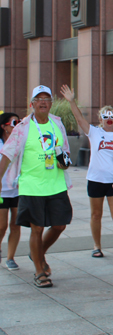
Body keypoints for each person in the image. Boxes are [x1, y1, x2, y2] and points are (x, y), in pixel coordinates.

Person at [0, 85, 73, 288]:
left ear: (51, 103)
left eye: (46, 99)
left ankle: (37, 253)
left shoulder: (57, 124)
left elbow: (64, 151)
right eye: (38, 99)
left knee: (59, 225)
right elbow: (7, 154)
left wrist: (64, 162)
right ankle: (40, 271)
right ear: (32, 104)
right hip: (31, 185)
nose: (43, 102)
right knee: (37, 228)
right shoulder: (22, 127)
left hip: (56, 183)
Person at [61, 84, 113, 261]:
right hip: (95, 179)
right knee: (96, 214)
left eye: (112, 117)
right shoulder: (94, 132)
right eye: (105, 117)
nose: (109, 120)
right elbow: (79, 119)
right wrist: (72, 101)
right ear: (100, 118)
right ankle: (97, 246)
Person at [0, 113, 22, 271]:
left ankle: (10, 257)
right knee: (1, 225)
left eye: (19, 122)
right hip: (1, 191)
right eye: (14, 122)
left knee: (16, 224)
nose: (17, 125)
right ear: (4, 126)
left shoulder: (20, 143)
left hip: (18, 190)